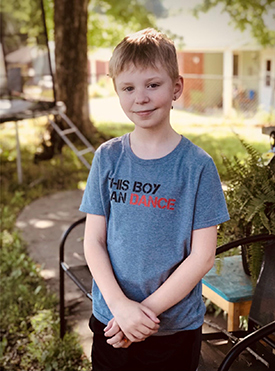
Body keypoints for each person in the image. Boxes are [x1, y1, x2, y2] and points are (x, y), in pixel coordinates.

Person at [79, 28, 229, 371]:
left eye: (153, 85)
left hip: (172, 330)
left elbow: (202, 257)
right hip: (111, 323)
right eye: (128, 88)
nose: (140, 98)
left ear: (176, 87)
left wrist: (142, 314)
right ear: (117, 91)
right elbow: (93, 241)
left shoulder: (197, 167)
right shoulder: (108, 157)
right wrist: (121, 308)